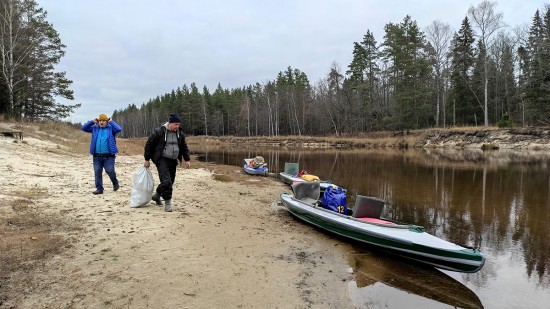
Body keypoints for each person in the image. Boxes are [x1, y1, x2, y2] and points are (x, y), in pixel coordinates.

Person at [143, 113, 191, 212]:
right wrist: (147, 159)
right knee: (166, 181)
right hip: (162, 159)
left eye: (178, 124)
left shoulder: (180, 134)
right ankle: (168, 203)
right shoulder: (159, 132)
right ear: (170, 123)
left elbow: (183, 147)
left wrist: (187, 159)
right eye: (175, 124)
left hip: (173, 160)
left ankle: (157, 195)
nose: (177, 126)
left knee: (170, 181)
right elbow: (149, 145)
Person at [81, 114, 122, 195]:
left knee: (110, 171)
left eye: (103, 121)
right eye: (100, 121)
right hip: (96, 156)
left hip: (109, 156)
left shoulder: (111, 129)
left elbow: (119, 129)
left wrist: (111, 121)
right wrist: (92, 122)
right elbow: (83, 128)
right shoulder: (94, 128)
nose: (101, 122)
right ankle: (99, 189)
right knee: (97, 172)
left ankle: (115, 182)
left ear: (107, 122)